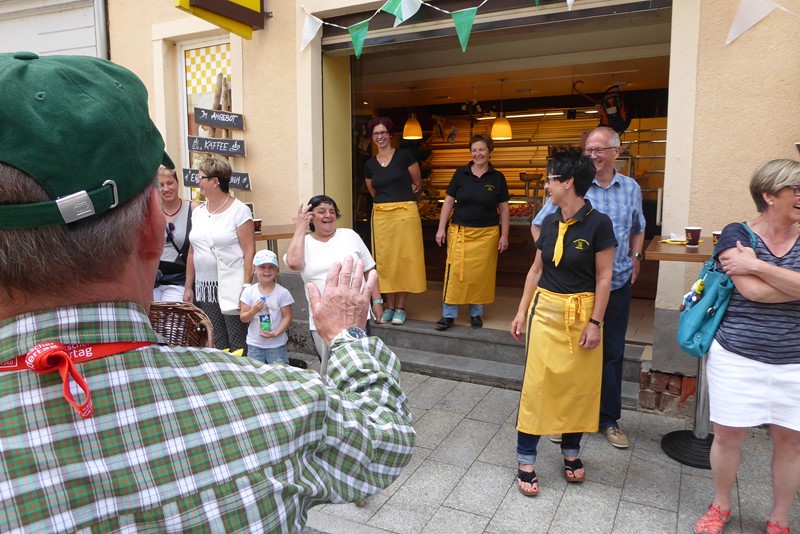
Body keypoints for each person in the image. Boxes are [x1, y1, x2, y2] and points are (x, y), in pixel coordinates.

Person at [0, 52, 414, 533]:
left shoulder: (238, 215)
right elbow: (385, 442)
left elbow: (249, 253)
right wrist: (347, 336)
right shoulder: (276, 403)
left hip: (230, 288)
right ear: (153, 228)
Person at [693, 159, 800, 534]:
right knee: (728, 436)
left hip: (795, 359)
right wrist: (790, 283)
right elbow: (751, 292)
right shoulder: (736, 233)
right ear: (769, 195)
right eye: (796, 189)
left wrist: (760, 266)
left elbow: (757, 281)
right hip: (737, 354)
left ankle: (780, 518)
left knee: (791, 441)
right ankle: (721, 505)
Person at [510, 146, 616, 496]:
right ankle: (526, 458)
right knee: (537, 386)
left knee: (577, 388)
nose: (546, 185)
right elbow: (535, 271)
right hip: (546, 313)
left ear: (568, 182)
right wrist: (521, 311)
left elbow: (604, 277)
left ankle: (571, 451)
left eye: (551, 179)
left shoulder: (599, 224)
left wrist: (595, 323)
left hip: (583, 314)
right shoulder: (550, 221)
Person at [532, 126, 645, 449]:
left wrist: (636, 256)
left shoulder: (631, 188)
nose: (593, 155)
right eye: (589, 150)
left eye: (599, 150)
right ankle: (565, 418)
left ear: (616, 152)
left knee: (612, 352)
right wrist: (556, 262)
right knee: (572, 353)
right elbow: (540, 225)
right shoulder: (576, 185)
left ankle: (608, 419)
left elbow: (638, 227)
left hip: (616, 282)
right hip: (577, 291)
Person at [285, 195, 384, 376]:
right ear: (310, 217)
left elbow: (369, 269)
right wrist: (300, 228)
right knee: (330, 369)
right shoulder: (303, 242)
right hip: (323, 318)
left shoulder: (350, 235)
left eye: (332, 211)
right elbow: (293, 263)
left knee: (359, 364)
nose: (328, 215)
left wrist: (377, 301)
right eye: (321, 211)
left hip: (355, 313)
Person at [434, 133, 510, 330]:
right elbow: (448, 202)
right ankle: (448, 315)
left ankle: (476, 314)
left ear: (490, 152)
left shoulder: (498, 178)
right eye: (474, 150)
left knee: (480, 275)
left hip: (487, 234)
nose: (478, 154)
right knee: (454, 273)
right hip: (460, 231)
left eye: (482, 149)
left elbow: (504, 209)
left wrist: (504, 235)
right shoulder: (461, 173)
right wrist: (441, 228)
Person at [187, 156, 255, 355]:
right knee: (215, 339)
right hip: (205, 287)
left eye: (201, 177)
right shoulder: (198, 212)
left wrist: (246, 287)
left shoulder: (239, 211)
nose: (198, 182)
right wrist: (188, 286)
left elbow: (249, 251)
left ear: (215, 181)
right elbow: (192, 250)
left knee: (237, 340)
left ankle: (242, 372)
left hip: (232, 285)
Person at [364, 117, 427, 325]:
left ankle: (400, 307)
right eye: (376, 133)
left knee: (405, 259)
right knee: (385, 261)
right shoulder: (370, 164)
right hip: (382, 215)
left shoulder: (404, 155)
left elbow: (416, 183)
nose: (380, 136)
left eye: (383, 132)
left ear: (390, 134)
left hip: (405, 213)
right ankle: (389, 306)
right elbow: (374, 191)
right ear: (372, 137)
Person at [153, 165, 201, 301]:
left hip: (179, 280)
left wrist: (188, 287)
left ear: (178, 183)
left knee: (171, 314)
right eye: (161, 185)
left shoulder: (194, 209)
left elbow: (195, 250)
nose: (166, 189)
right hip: (153, 281)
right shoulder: (151, 211)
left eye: (170, 183)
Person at [239, 249, 294, 365]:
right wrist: (253, 311)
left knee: (279, 373)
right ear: (254, 269)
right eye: (262, 267)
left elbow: (288, 317)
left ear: (276, 269)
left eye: (271, 267)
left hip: (276, 345)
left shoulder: (282, 293)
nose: (267, 271)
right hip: (255, 344)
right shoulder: (248, 292)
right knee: (256, 373)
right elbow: (243, 318)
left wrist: (276, 333)